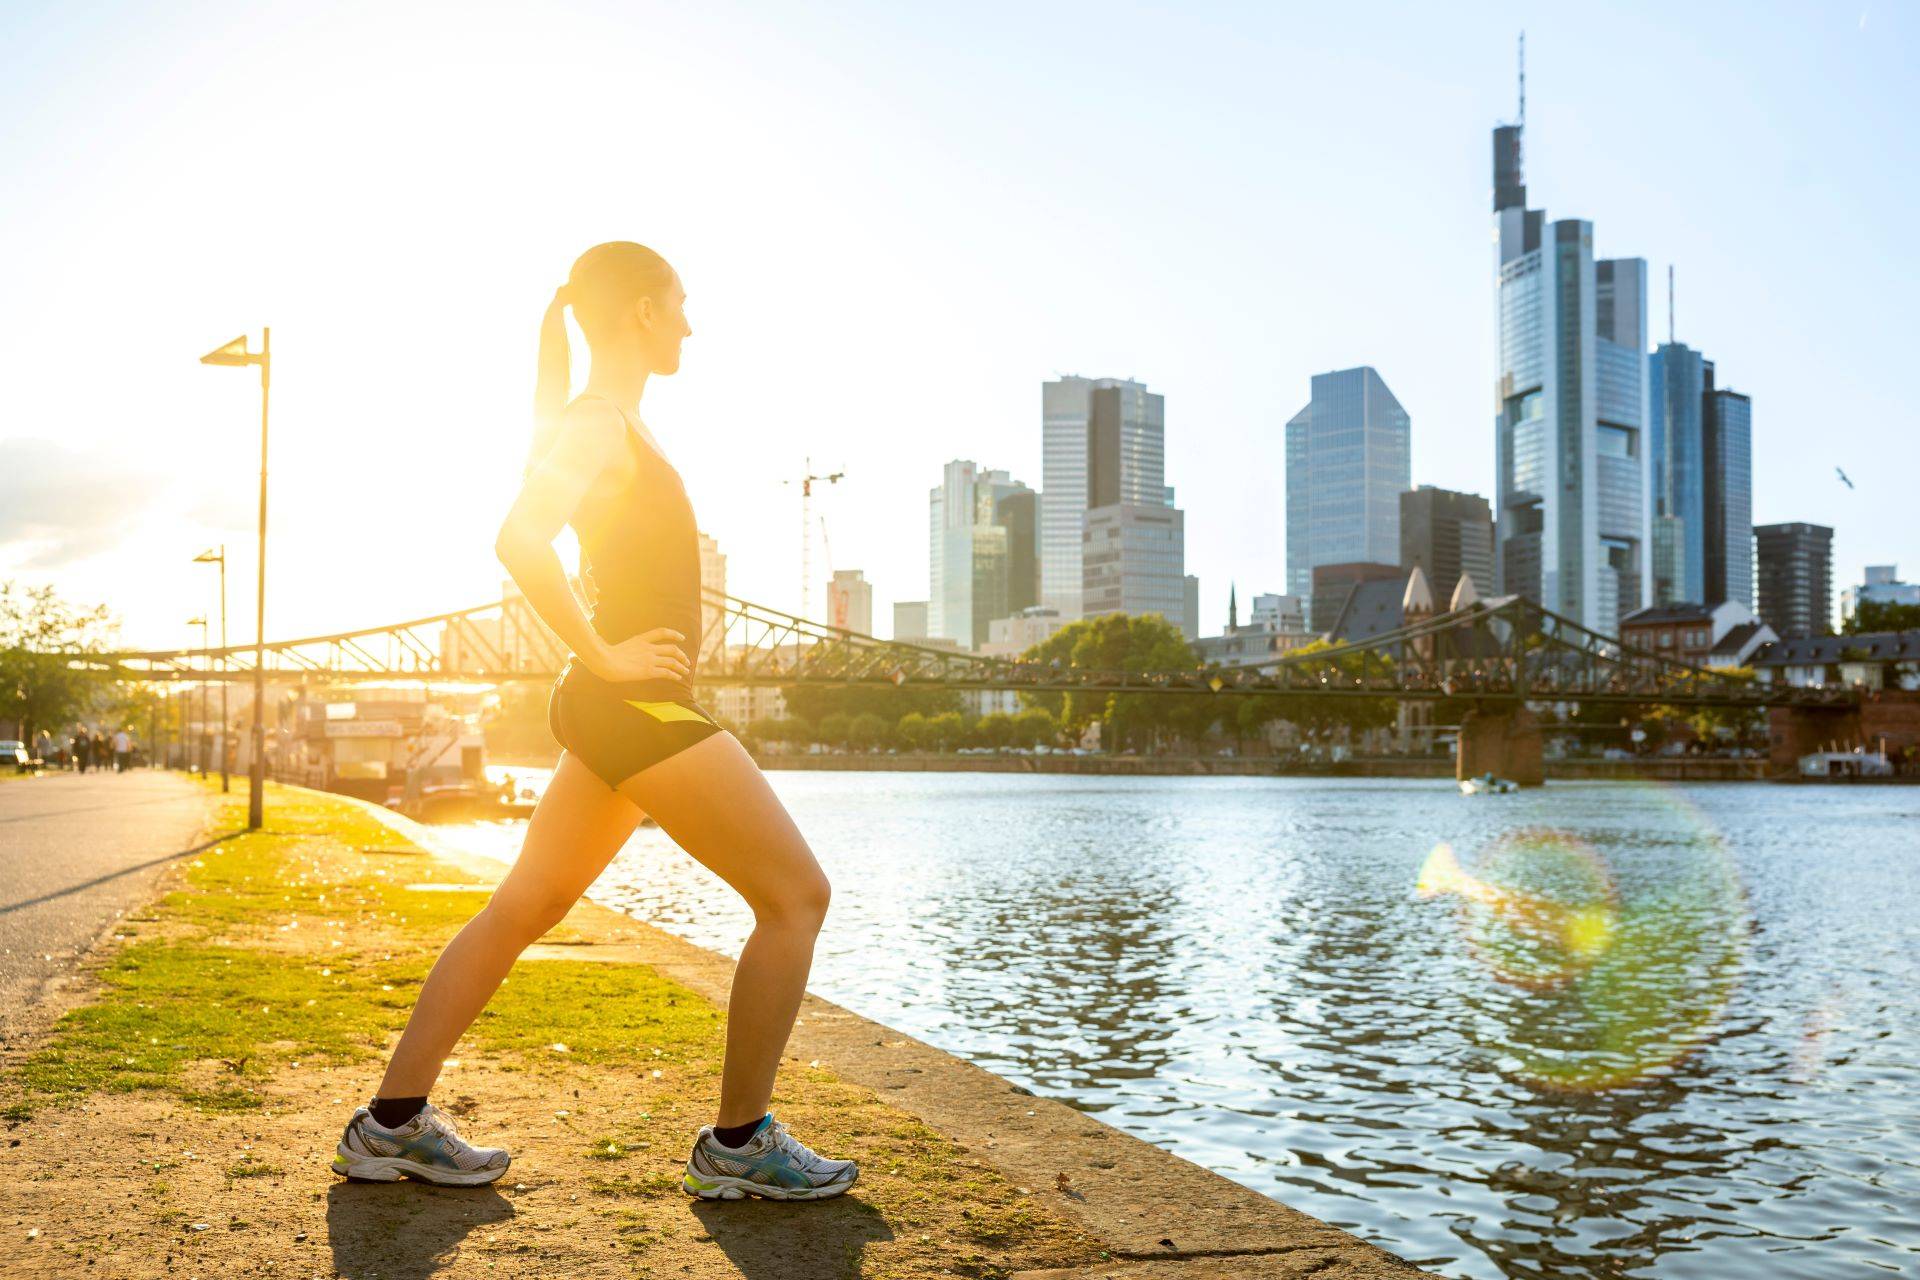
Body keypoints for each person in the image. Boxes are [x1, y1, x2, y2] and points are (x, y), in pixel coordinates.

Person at [334, 242, 856, 1202]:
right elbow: (517, 535)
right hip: (635, 704)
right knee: (797, 898)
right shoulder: (597, 421)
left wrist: (602, 660)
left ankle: (390, 1125)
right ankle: (739, 1144)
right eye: (680, 305)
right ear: (640, 314)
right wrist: (607, 654)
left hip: (618, 706)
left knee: (523, 906)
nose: (692, 325)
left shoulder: (623, 425)